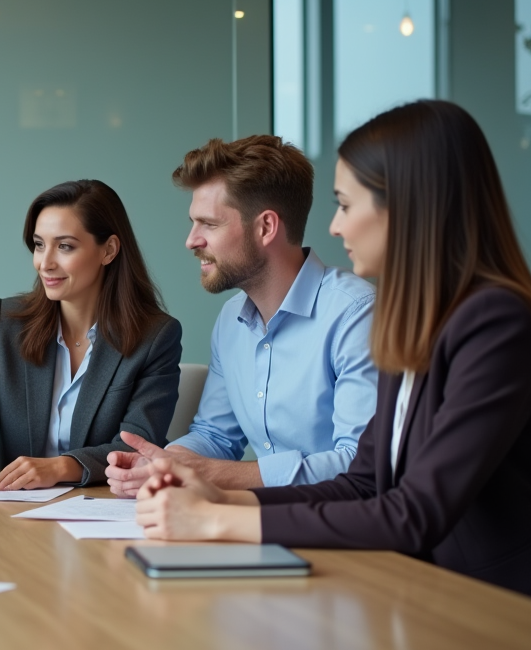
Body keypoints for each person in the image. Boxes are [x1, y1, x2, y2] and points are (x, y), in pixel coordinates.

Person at [132, 100, 531, 597]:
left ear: (409, 204)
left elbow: (413, 514)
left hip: (490, 606)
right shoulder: (411, 320)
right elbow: (364, 484)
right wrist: (218, 499)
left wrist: (216, 522)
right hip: (415, 586)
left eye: (345, 205)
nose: (335, 227)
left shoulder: (496, 321)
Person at [106, 135, 378, 494]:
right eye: (193, 222)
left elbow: (357, 463)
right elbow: (215, 435)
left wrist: (211, 474)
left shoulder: (356, 314)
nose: (191, 240)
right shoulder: (232, 318)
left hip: (343, 531)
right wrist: (161, 464)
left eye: (209, 224)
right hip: (260, 524)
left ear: (266, 227)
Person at [0, 179, 182, 490]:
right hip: (14, 516)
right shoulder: (7, 323)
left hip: (102, 512)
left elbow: (137, 447)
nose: (44, 263)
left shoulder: (155, 337)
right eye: (38, 244)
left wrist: (63, 467)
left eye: (64, 246)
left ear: (109, 250)